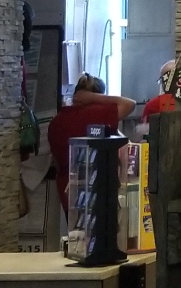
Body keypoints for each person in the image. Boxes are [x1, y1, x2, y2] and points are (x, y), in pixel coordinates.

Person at [48, 74, 136, 214]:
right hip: (97, 189)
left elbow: (57, 162)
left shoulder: (56, 121)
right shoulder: (97, 113)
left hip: (68, 189)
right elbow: (130, 104)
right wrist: (93, 98)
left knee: (75, 227)